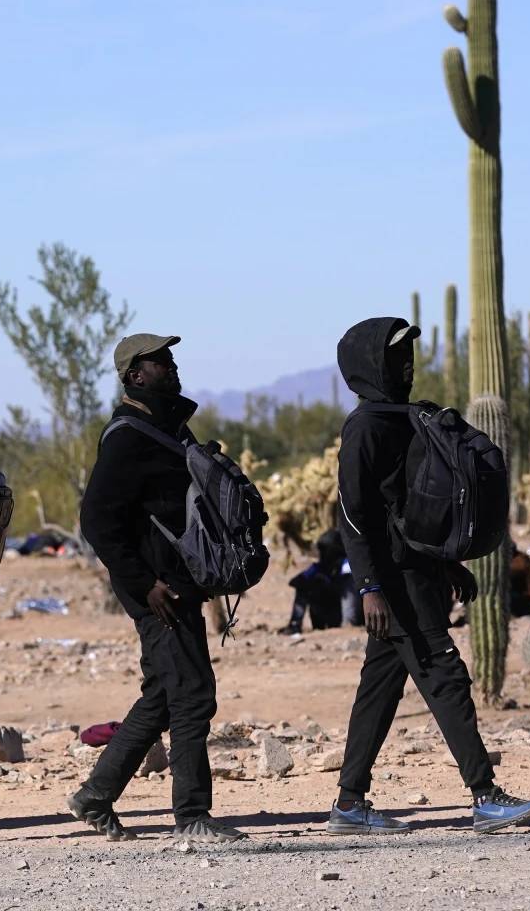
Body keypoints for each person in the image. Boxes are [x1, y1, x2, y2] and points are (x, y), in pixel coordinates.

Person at [328, 317, 530, 836]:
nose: (406, 365)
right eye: (395, 357)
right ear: (370, 366)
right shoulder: (365, 427)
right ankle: (486, 796)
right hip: (394, 582)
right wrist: (370, 587)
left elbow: (415, 505)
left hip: (418, 574)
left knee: (379, 692)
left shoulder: (405, 417)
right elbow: (353, 514)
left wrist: (448, 563)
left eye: (409, 356)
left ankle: (349, 805)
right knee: (445, 676)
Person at [70, 334, 246, 845]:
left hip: (175, 584)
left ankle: (95, 796)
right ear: (135, 375)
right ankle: (192, 814)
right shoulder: (127, 437)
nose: (172, 366)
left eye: (171, 359)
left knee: (165, 696)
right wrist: (144, 583)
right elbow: (97, 521)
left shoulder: (165, 427)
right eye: (160, 361)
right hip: (157, 591)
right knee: (193, 695)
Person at [280, 528, 348, 634]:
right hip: (324, 614)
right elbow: (295, 582)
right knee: (306, 587)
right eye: (322, 550)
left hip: (343, 613)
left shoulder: (346, 565)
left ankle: (349, 624)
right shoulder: (319, 568)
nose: (324, 554)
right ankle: (295, 625)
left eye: (327, 550)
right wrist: (317, 582)